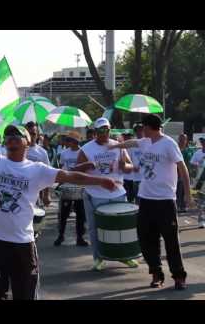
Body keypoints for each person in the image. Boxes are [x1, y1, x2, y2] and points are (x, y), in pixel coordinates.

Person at [0, 98, 117, 300]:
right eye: (8, 135)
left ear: (27, 142)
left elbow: (70, 176)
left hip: (22, 244)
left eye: (16, 135)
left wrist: (100, 180)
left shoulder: (37, 170)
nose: (11, 138)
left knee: (25, 296)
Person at [108, 114, 190, 290]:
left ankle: (178, 276)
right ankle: (156, 273)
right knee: (146, 239)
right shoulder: (145, 142)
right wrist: (114, 145)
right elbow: (130, 143)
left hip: (165, 200)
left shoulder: (168, 143)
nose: (141, 130)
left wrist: (188, 196)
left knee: (171, 240)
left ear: (149, 127)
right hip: (145, 199)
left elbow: (182, 168)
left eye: (143, 127)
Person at [74, 117, 138, 271]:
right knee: (95, 227)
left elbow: (128, 165)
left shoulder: (118, 145)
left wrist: (126, 166)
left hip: (117, 193)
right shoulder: (86, 149)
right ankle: (99, 258)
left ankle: (124, 256)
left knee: (121, 227)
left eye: (107, 130)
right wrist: (87, 165)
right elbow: (76, 169)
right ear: (95, 132)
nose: (105, 133)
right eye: (101, 130)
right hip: (95, 194)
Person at [55, 131, 88, 247]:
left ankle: (80, 237)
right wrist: (60, 184)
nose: (68, 142)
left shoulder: (83, 152)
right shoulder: (64, 153)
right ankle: (61, 235)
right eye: (67, 140)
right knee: (63, 213)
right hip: (68, 186)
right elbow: (62, 168)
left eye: (70, 140)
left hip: (80, 185)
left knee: (80, 213)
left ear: (76, 141)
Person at [177, 134, 195, 212]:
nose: (182, 141)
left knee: (184, 191)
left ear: (186, 140)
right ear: (178, 140)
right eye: (181, 139)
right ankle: (177, 206)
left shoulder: (189, 151)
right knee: (178, 191)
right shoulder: (176, 149)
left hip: (186, 174)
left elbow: (191, 163)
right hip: (177, 174)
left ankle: (183, 206)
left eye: (183, 139)